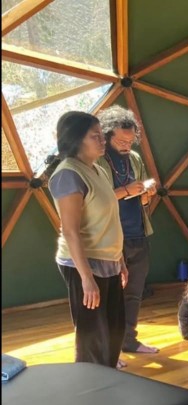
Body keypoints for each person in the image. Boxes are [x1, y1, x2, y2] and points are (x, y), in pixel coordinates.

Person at [44, 111, 127, 368]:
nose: (103, 140)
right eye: (95, 136)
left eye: (102, 135)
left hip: (108, 261)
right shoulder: (68, 174)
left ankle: (108, 380)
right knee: (93, 339)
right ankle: (91, 386)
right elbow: (71, 231)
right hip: (84, 264)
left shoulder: (97, 170)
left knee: (114, 331)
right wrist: (86, 278)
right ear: (76, 139)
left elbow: (108, 220)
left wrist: (120, 260)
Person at [96, 105, 159, 354]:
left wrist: (146, 192)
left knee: (134, 293)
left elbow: (141, 200)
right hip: (110, 238)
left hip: (137, 235)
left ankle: (128, 340)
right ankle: (107, 349)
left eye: (130, 141)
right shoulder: (98, 160)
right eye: (121, 141)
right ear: (107, 135)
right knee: (109, 295)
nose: (126, 145)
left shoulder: (134, 158)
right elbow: (95, 201)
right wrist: (126, 191)